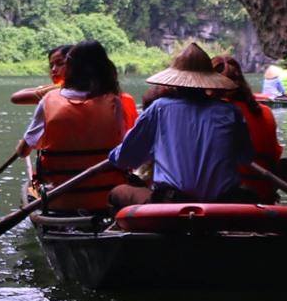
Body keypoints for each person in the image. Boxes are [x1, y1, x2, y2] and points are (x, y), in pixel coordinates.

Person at [106, 43, 253, 208]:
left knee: (118, 193)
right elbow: (245, 158)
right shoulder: (230, 112)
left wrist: (114, 155)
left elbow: (126, 158)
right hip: (222, 203)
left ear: (175, 82)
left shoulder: (159, 108)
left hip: (173, 204)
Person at [16, 40, 132, 212]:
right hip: (107, 200)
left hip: (58, 200)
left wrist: (21, 146)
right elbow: (123, 152)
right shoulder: (114, 102)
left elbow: (23, 152)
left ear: (69, 68)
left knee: (33, 185)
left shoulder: (49, 100)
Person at [213, 53, 283, 203]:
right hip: (263, 191)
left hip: (227, 195)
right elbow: (274, 156)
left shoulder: (213, 113)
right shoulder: (265, 111)